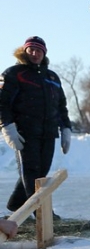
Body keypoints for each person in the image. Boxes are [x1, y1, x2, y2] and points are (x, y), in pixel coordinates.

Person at [0, 37, 71, 215]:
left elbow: (61, 105)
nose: (34, 53)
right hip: (24, 132)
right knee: (32, 172)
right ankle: (42, 213)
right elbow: (2, 103)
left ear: (44, 53)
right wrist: (7, 127)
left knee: (41, 172)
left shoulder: (52, 77)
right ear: (24, 52)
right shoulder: (14, 73)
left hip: (48, 133)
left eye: (38, 50)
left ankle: (16, 204)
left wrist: (66, 129)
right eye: (31, 50)